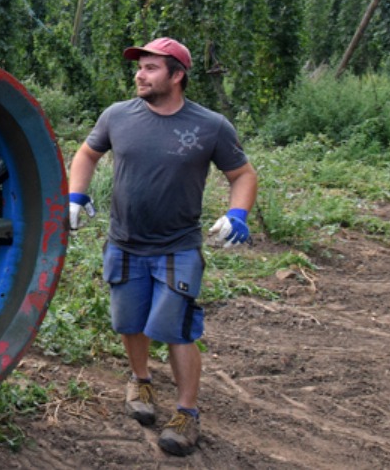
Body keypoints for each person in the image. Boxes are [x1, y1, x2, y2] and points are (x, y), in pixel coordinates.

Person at [66, 37, 258, 456]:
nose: (140, 74)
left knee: (175, 329)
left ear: (177, 75)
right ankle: (141, 381)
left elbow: (242, 175)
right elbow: (86, 154)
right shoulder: (117, 116)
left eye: (152, 68)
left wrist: (238, 214)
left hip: (177, 247)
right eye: (140, 66)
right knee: (129, 322)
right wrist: (75, 195)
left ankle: (186, 413)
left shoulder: (210, 126)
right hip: (124, 242)